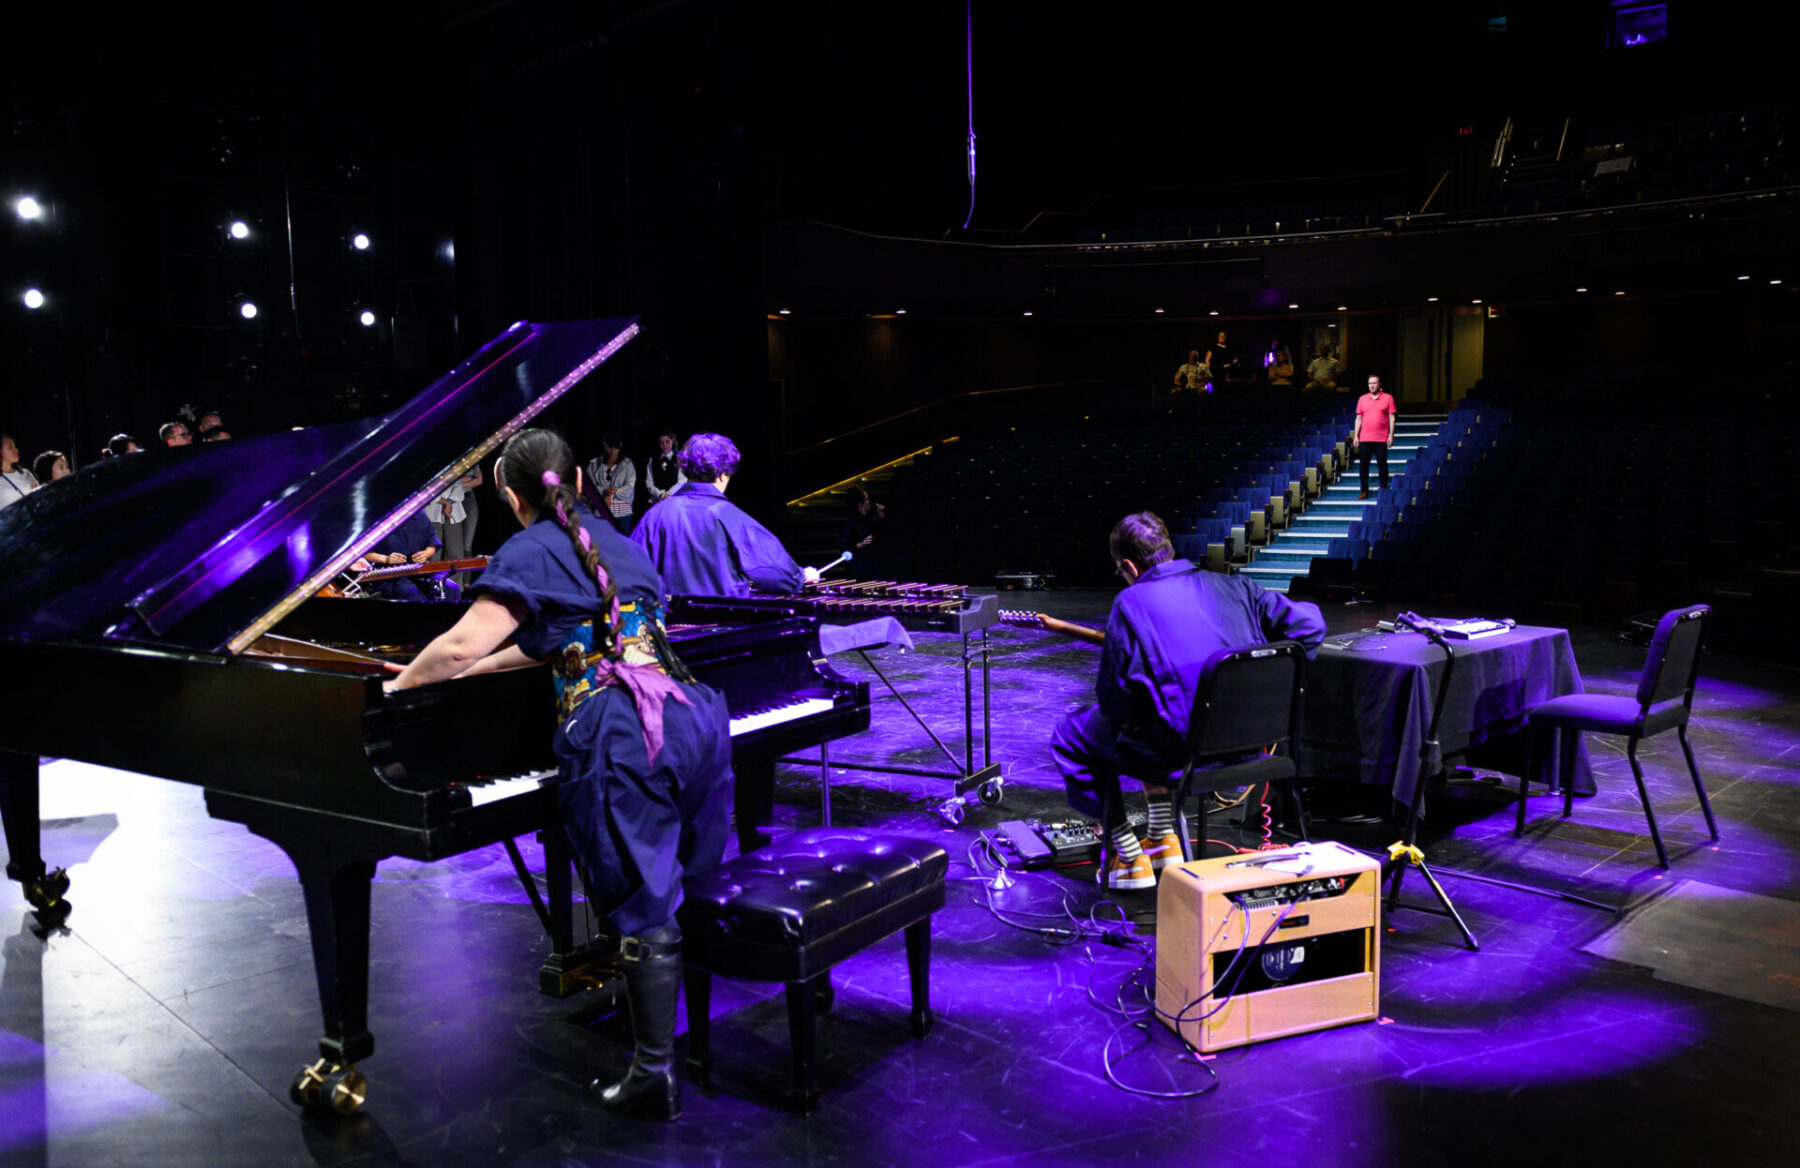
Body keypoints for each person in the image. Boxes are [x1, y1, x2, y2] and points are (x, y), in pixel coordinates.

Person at [386, 428, 731, 1122]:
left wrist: (396, 693)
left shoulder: (529, 548)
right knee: (674, 886)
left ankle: (654, 1074)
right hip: (692, 715)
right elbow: (578, 639)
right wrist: (481, 665)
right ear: (575, 484)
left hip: (624, 730)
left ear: (510, 496)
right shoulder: (620, 541)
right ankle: (685, 1042)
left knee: (644, 903)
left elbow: (456, 643)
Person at [1050, 512, 1325, 889]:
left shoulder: (1131, 604)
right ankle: (1163, 839)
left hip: (1183, 755)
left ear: (1128, 565)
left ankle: (1128, 858)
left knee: (1073, 734)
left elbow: (1115, 702)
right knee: (1148, 718)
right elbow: (1310, 627)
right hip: (1253, 748)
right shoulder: (1237, 587)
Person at [631, 432, 818, 597]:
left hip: (669, 628)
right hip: (725, 625)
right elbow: (772, 569)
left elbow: (630, 570)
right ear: (722, 474)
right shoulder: (730, 516)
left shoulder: (655, 515)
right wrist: (800, 577)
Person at [352, 508, 444, 600]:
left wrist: (426, 553)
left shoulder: (419, 513)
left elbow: (432, 540)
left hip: (418, 571)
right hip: (388, 576)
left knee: (450, 588)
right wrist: (386, 559)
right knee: (412, 593)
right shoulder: (375, 517)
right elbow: (360, 551)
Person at [1352, 374, 1398, 499]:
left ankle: (1383, 488)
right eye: (1370, 383)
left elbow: (1392, 417)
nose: (1372, 386)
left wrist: (1391, 435)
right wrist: (1356, 436)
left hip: (1381, 438)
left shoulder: (1388, 398)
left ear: (1379, 384)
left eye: (1374, 383)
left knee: (1382, 464)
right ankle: (1364, 490)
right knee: (1363, 465)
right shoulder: (1362, 399)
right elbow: (1359, 418)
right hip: (1365, 438)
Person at [587, 432, 637, 535]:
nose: (612, 451)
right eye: (609, 447)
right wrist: (604, 491)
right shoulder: (594, 464)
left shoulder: (627, 465)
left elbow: (630, 487)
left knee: (622, 543)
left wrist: (613, 492)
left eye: (615, 447)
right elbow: (589, 486)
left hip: (622, 512)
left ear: (620, 445)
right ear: (604, 445)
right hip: (601, 511)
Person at [836, 486, 887, 570]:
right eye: (867, 499)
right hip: (858, 566)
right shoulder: (851, 520)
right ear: (860, 504)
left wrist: (882, 516)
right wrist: (861, 544)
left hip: (868, 564)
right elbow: (844, 544)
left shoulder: (866, 518)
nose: (869, 502)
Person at [642, 430, 685, 506]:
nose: (664, 445)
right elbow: (649, 482)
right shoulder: (653, 459)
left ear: (672, 441)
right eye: (661, 442)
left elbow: (682, 481)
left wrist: (668, 494)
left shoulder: (679, 459)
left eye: (667, 442)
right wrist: (660, 494)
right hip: (657, 500)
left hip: (674, 500)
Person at [1, 434, 39, 511]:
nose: (16, 450)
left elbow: (37, 498)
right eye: (10, 447)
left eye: (15, 447)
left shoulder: (25, 473)